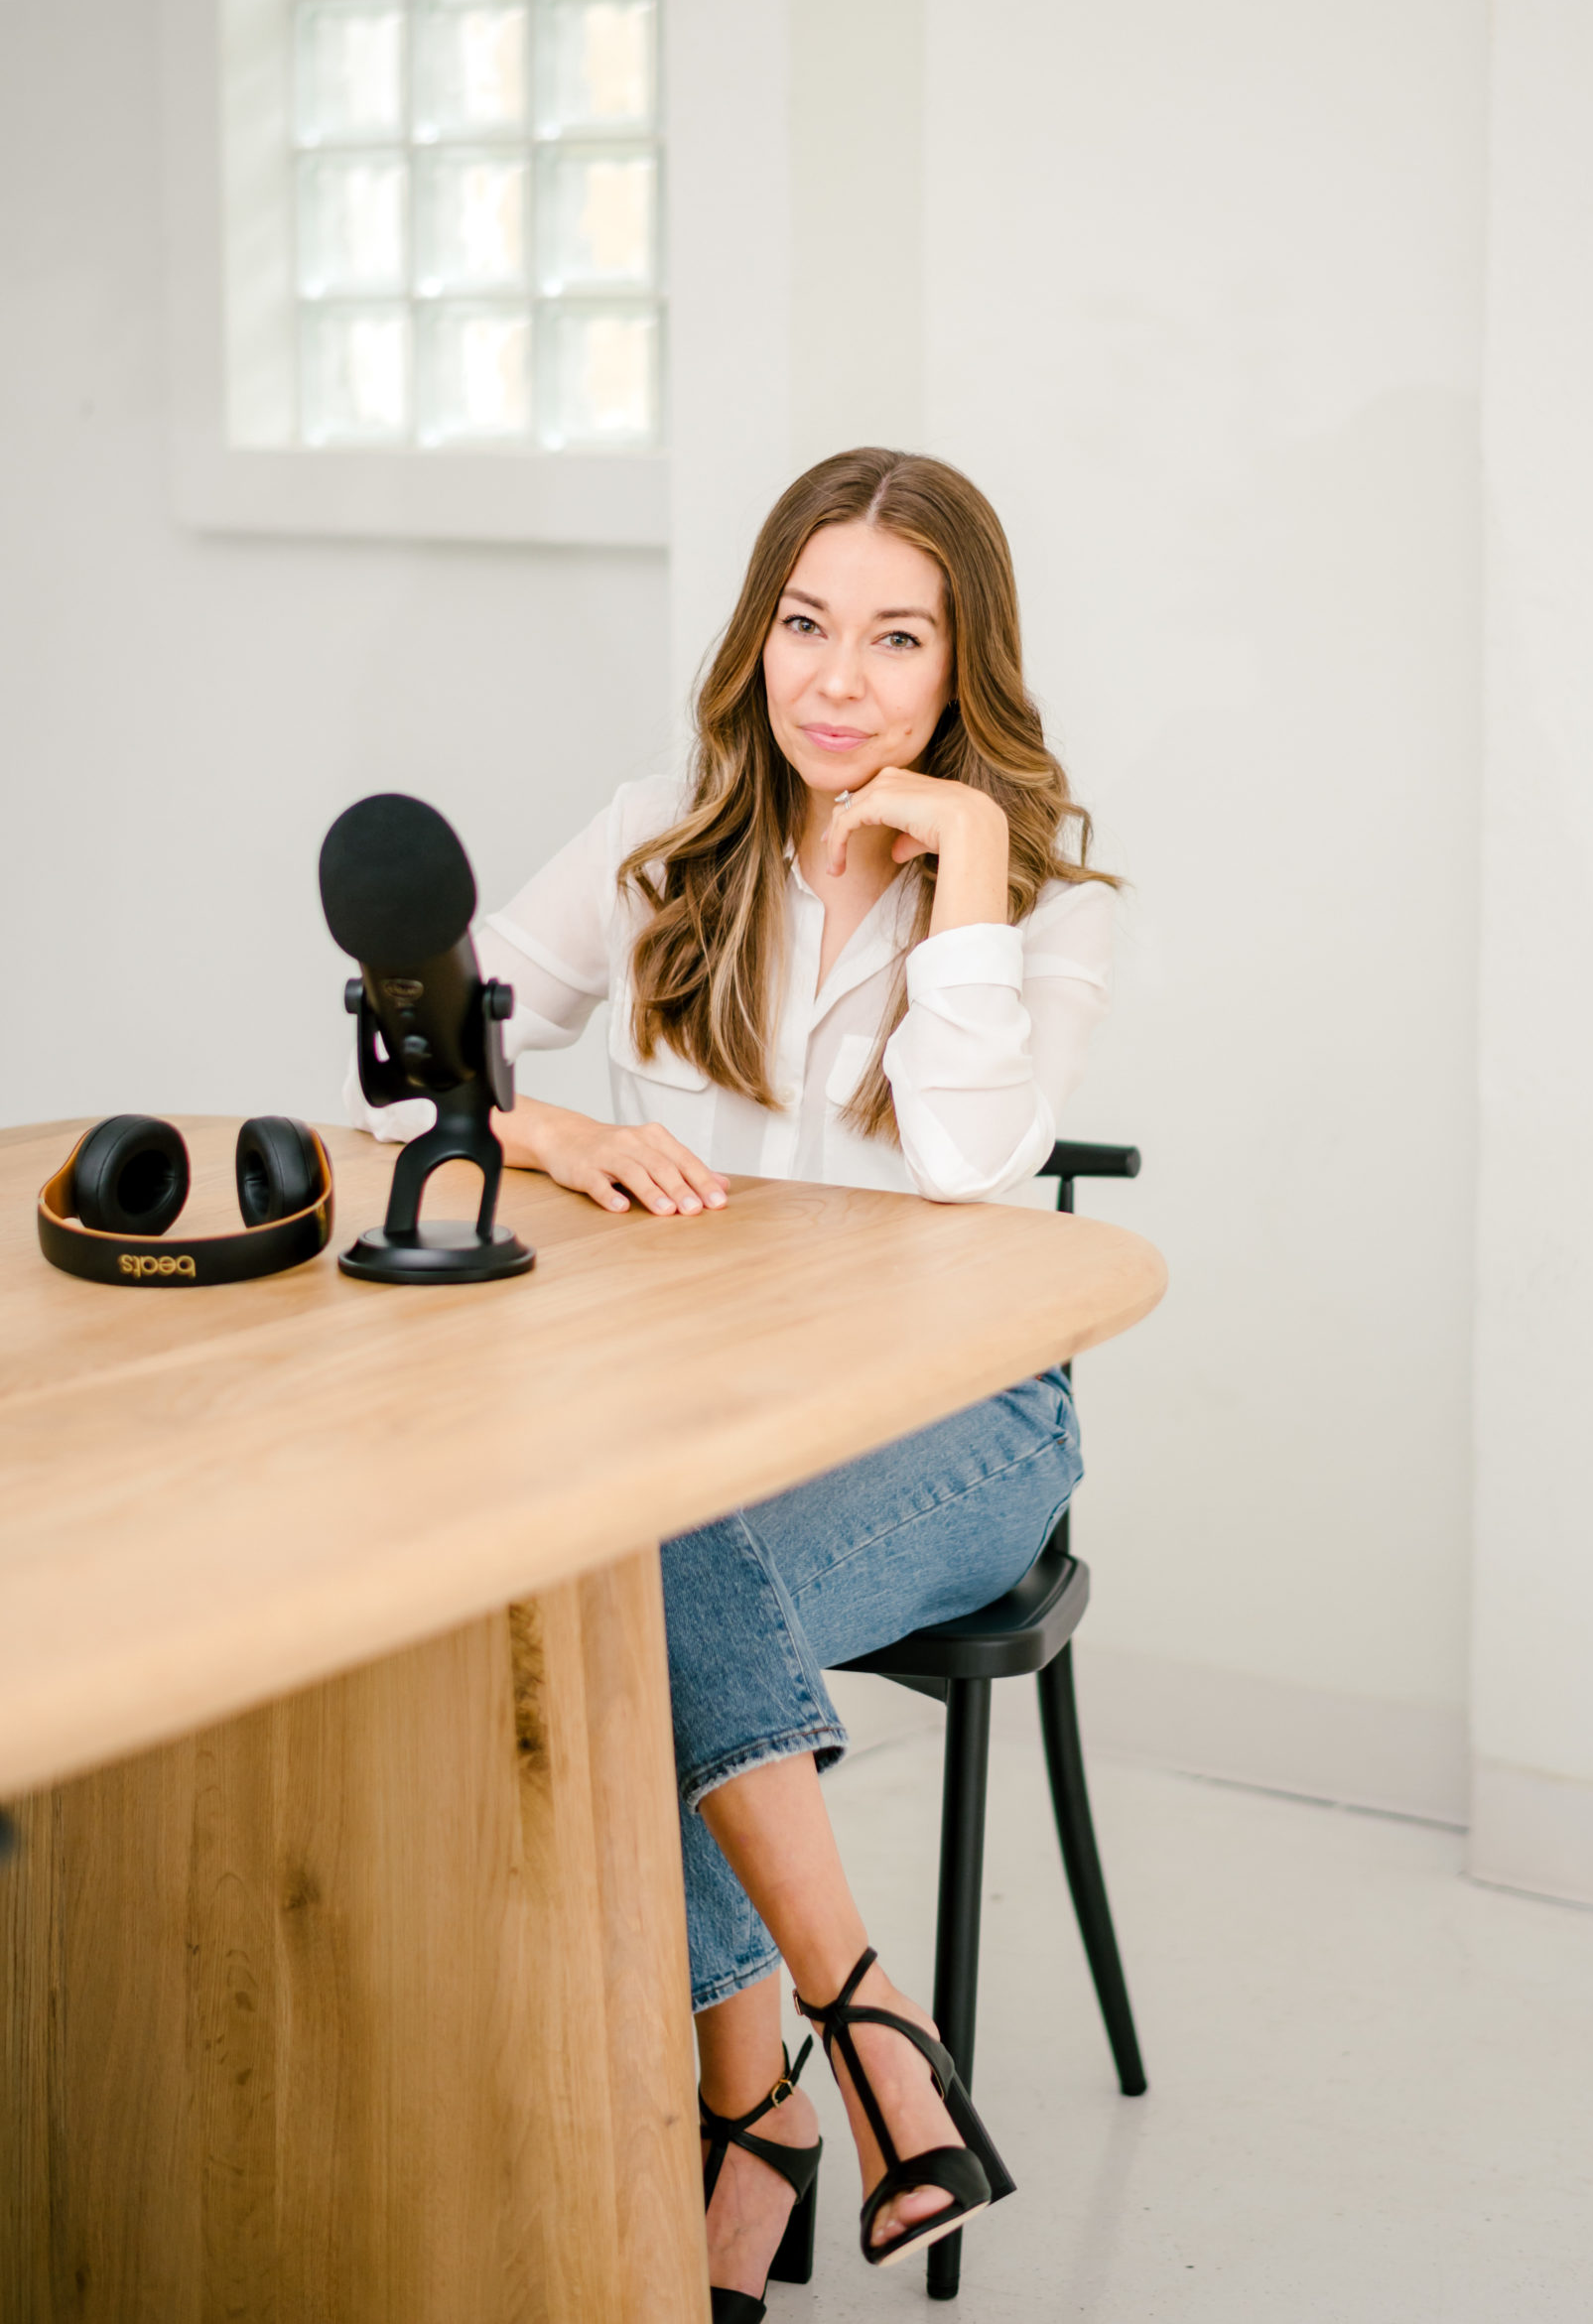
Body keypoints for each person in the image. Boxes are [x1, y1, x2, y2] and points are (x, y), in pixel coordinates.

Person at [348, 447, 1118, 2318]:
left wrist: (973, 877)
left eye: (894, 639)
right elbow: (425, 1043)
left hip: (966, 1420)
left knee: (615, 1576)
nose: (836, 680)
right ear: (757, 632)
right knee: (626, 1546)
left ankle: (770, 2091)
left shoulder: (1048, 904)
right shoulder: (666, 833)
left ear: (962, 670)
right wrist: (539, 1141)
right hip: (699, 1421)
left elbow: (958, 1171)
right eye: (803, 623)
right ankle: (847, 2051)